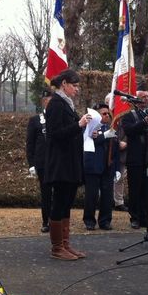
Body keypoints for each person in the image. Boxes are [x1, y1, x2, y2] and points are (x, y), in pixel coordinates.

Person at [44, 69, 93, 261]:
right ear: (64, 84)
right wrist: (78, 125)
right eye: (74, 85)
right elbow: (55, 134)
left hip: (70, 162)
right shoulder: (56, 104)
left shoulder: (67, 104)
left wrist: (87, 130)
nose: (77, 89)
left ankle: (65, 244)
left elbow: (70, 132)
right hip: (61, 164)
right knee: (59, 203)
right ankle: (57, 247)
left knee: (66, 204)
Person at [121, 90, 148, 229]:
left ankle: (145, 217)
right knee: (135, 190)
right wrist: (143, 122)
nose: (145, 99)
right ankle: (135, 218)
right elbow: (129, 131)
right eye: (142, 97)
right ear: (135, 99)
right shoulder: (128, 116)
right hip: (135, 159)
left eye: (147, 97)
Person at [82, 103, 120, 231]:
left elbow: (116, 149)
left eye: (108, 113)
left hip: (108, 166)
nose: (107, 116)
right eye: (104, 113)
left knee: (107, 196)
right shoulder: (89, 126)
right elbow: (90, 141)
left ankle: (105, 221)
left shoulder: (112, 128)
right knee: (91, 196)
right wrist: (104, 135)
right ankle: (89, 220)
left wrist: (117, 168)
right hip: (93, 166)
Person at [25, 89, 53, 233]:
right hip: (42, 163)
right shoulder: (35, 120)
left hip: (57, 162)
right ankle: (46, 221)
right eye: (47, 100)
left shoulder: (59, 119)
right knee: (46, 193)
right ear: (43, 102)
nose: (49, 103)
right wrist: (31, 164)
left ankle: (57, 220)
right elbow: (30, 144)